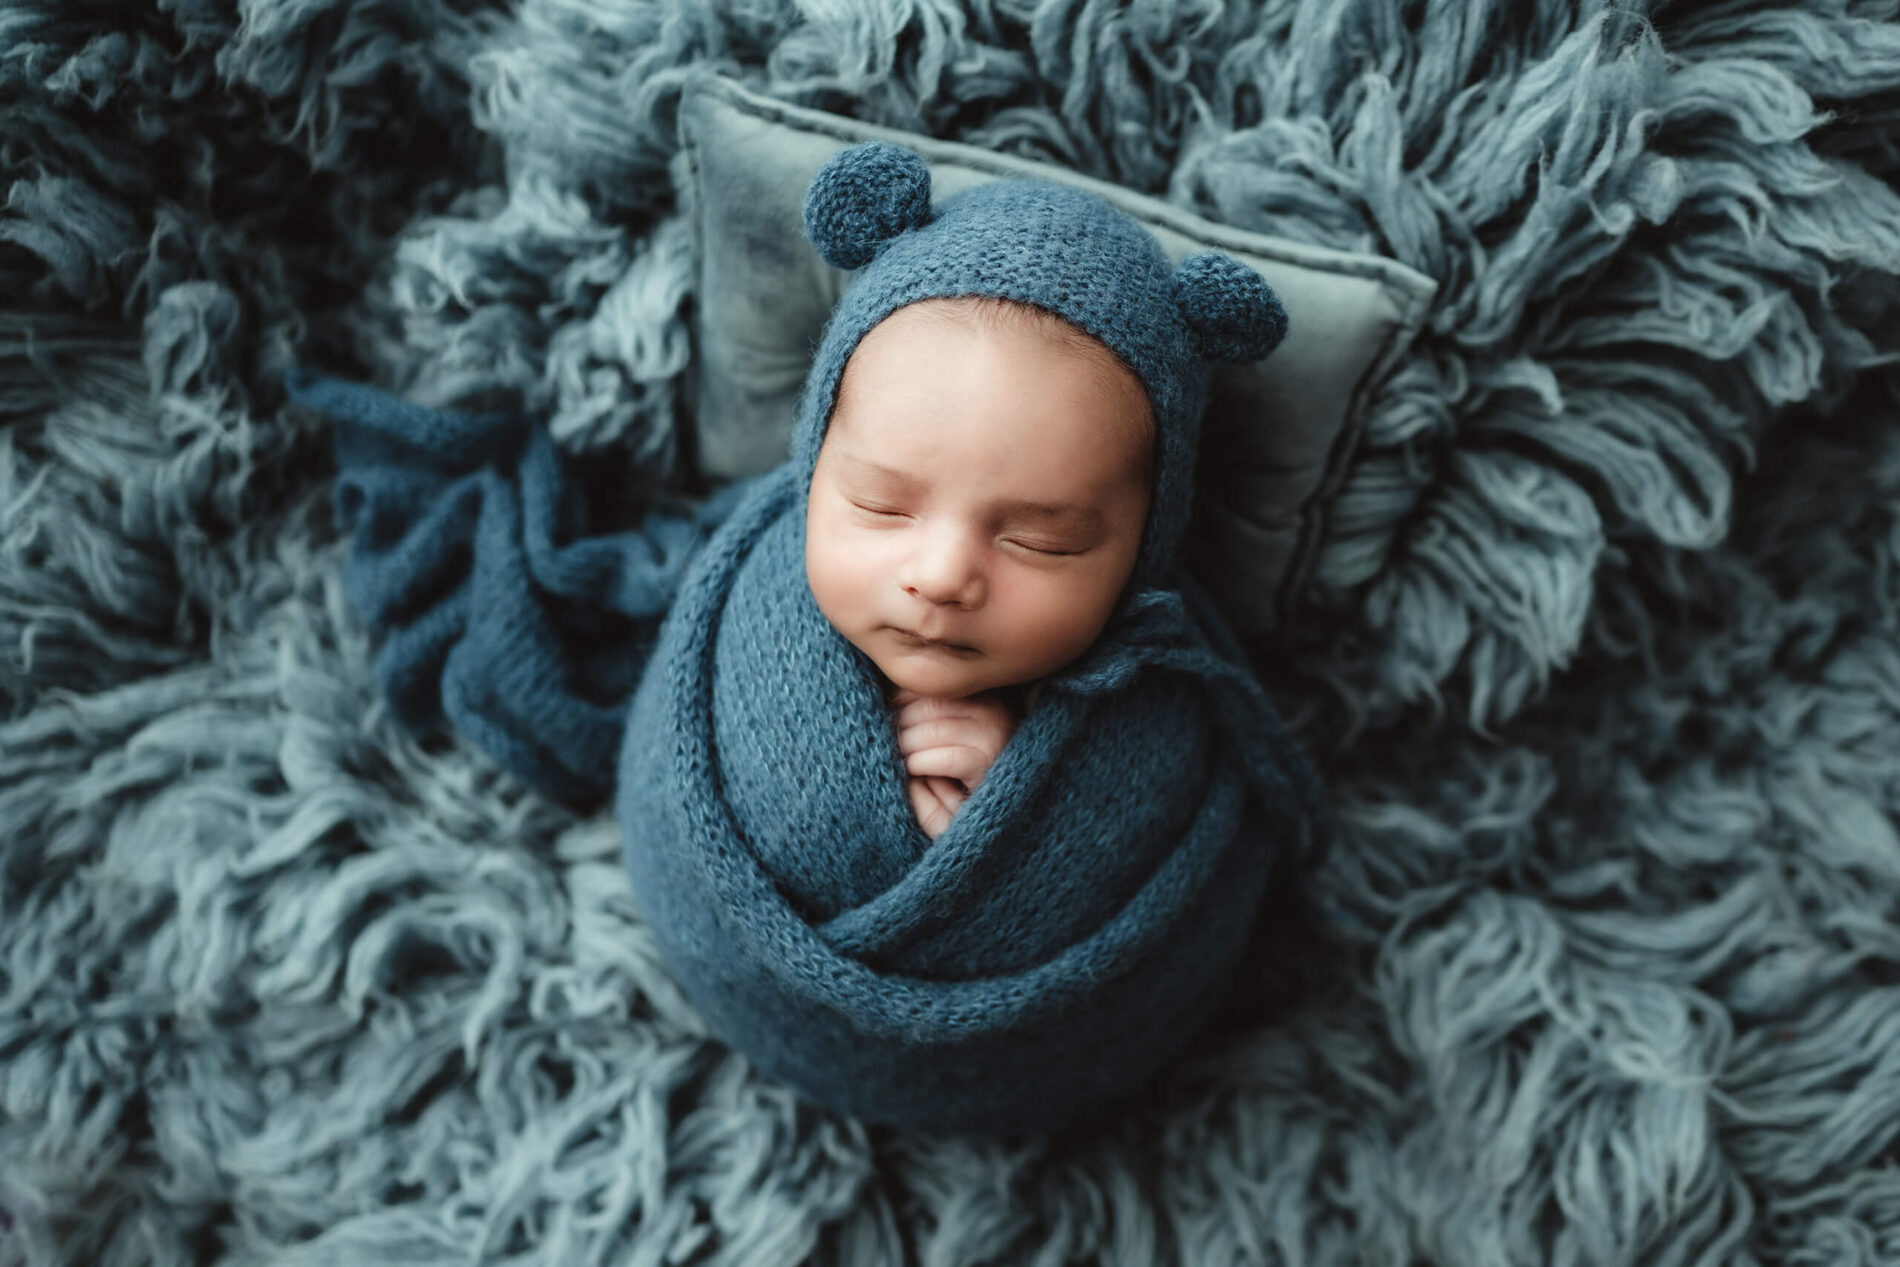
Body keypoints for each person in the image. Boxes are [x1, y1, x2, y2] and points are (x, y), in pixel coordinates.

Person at [806, 293, 1158, 839]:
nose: (942, 576)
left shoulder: (1162, 714)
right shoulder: (745, 615)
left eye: (1038, 543)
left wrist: (1019, 801)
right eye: (883, 508)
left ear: (1143, 550)